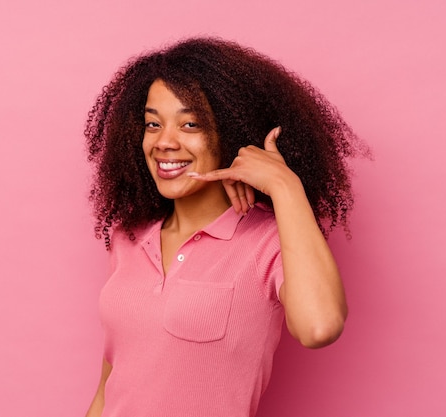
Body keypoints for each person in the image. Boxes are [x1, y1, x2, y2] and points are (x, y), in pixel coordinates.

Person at [83, 37, 366, 417]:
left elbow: (320, 327)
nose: (165, 142)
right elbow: (110, 385)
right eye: (153, 124)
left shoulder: (270, 240)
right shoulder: (129, 237)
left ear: (230, 132)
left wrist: (284, 185)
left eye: (190, 123)